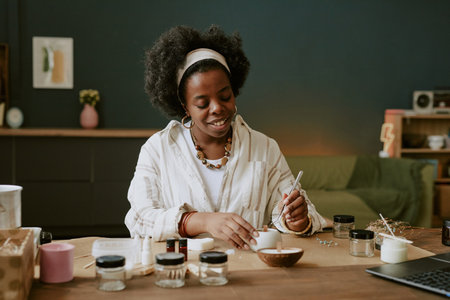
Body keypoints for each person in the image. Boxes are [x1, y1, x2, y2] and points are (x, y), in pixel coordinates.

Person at [125, 24, 327, 249]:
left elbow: (303, 216)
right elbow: (138, 220)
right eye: (202, 103)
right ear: (185, 107)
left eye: (225, 96)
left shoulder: (263, 147)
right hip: (183, 272)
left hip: (250, 274)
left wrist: (297, 220)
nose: (217, 108)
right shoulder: (158, 149)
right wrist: (199, 220)